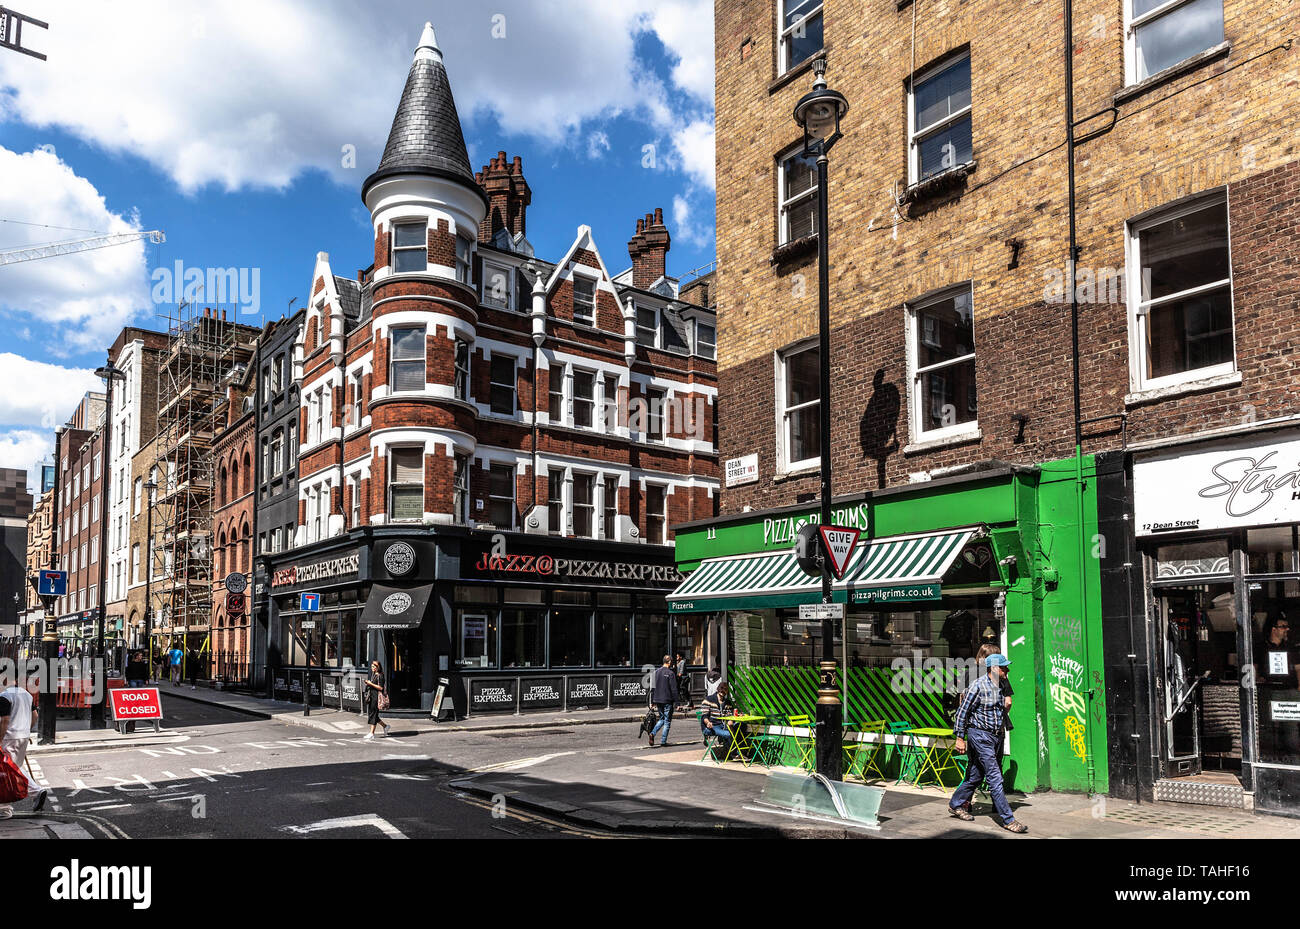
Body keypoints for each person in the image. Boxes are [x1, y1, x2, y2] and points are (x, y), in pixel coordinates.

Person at [948, 654, 1027, 834]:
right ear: (993, 668)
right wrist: (960, 738)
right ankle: (1008, 819)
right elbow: (962, 713)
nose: (1007, 670)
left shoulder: (1000, 685)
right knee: (995, 776)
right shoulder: (978, 686)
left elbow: (1002, 709)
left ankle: (956, 804)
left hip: (995, 736)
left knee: (976, 775)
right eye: (1004, 667)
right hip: (980, 735)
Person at [0, 672, 46, 819]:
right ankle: (36, 793)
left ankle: (6, 809)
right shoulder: (26, 694)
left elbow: (5, 721)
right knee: (15, 767)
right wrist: (26, 729)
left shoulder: (5, 696)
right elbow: (35, 716)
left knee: (6, 771)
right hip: (23, 736)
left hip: (9, 737)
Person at [699, 681, 738, 759]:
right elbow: (704, 716)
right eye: (721, 689)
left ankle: (733, 752)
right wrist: (708, 722)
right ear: (718, 690)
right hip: (712, 726)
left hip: (723, 725)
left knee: (739, 728)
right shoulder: (708, 699)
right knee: (728, 734)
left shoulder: (727, 702)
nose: (723, 691)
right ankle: (734, 753)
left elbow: (729, 714)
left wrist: (731, 720)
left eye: (725, 690)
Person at [648, 655, 678, 747]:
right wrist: (677, 702)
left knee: (662, 719)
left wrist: (652, 701)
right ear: (669, 662)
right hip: (667, 700)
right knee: (667, 721)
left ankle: (652, 733)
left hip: (658, 699)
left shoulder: (656, 672)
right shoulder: (670, 673)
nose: (672, 663)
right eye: (672, 661)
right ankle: (663, 741)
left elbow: (652, 688)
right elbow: (674, 689)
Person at [363, 659, 391, 740]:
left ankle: (372, 733)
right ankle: (385, 726)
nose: (372, 668)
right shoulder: (374, 674)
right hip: (372, 697)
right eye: (371, 666)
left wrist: (370, 683)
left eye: (374, 666)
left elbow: (380, 687)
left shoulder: (380, 675)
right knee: (372, 714)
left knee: (373, 714)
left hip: (377, 698)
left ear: (378, 667)